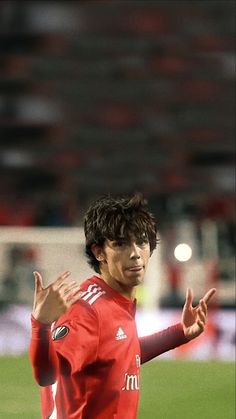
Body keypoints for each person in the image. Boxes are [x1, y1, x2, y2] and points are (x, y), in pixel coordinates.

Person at [29, 193, 216, 419]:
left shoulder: (116, 302)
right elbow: (49, 374)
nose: (135, 254)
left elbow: (119, 355)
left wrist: (179, 333)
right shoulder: (87, 311)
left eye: (141, 242)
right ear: (99, 252)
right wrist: (41, 326)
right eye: (121, 244)